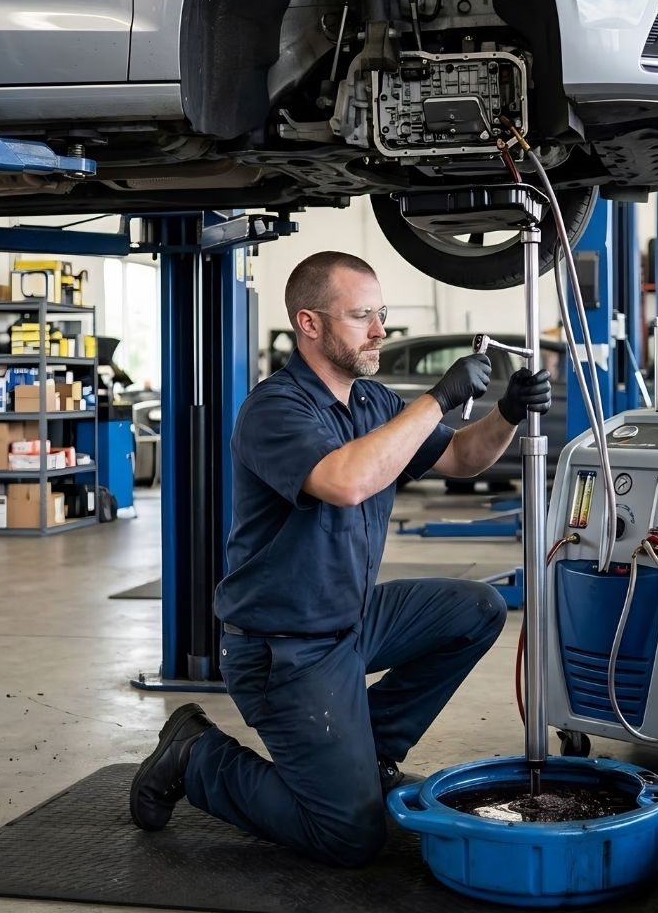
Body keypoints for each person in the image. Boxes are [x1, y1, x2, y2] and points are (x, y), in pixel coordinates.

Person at [129, 251, 552, 867]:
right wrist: (436, 397)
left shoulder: (375, 403)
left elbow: (461, 459)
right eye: (361, 316)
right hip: (284, 647)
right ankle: (195, 756)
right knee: (350, 838)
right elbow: (345, 480)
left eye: (381, 313)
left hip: (351, 622)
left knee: (478, 609)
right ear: (310, 324)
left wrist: (509, 413)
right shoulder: (275, 409)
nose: (380, 329)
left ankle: (370, 750)